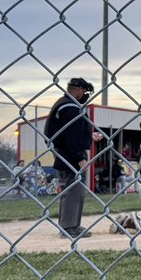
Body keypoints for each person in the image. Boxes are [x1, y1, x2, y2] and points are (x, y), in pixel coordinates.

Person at [44, 76, 99, 240]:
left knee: (75, 188)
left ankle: (72, 225)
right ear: (78, 90)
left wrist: (90, 134)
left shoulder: (65, 103)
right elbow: (71, 135)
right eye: (83, 91)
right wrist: (79, 157)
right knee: (73, 188)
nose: (85, 95)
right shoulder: (69, 107)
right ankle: (68, 227)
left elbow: (75, 131)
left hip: (66, 150)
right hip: (69, 153)